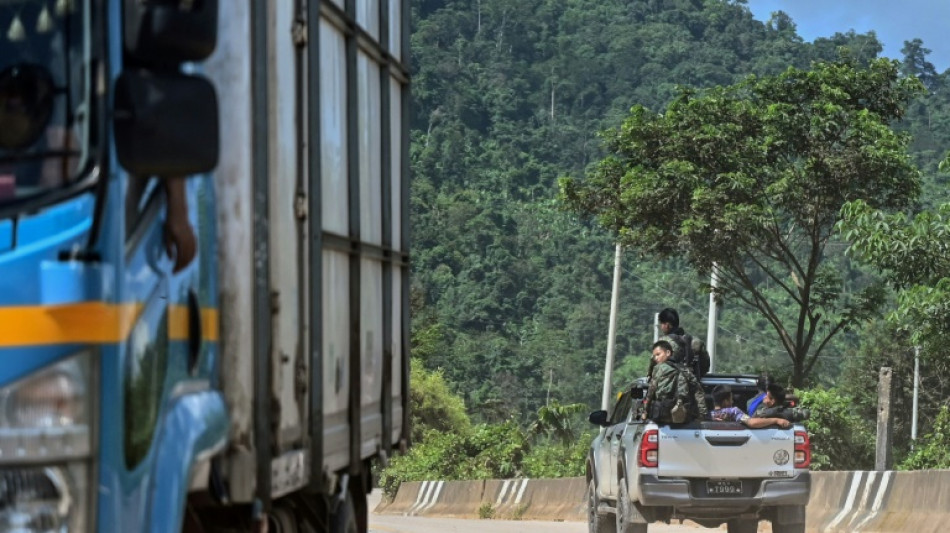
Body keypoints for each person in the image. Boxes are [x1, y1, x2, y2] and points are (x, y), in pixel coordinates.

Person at [644, 340, 707, 423]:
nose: (656, 358)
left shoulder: (659, 368)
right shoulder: (685, 370)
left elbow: (651, 391)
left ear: (668, 353)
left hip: (662, 417)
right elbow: (698, 391)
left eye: (658, 354)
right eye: (655, 356)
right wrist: (702, 415)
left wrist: (644, 411)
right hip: (685, 419)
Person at [656, 307, 711, 378]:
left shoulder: (662, 344)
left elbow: (654, 366)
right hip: (692, 386)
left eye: (661, 324)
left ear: (667, 325)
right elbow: (705, 367)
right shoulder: (696, 342)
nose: (661, 327)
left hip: (668, 386)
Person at [710, 385, 791, 429]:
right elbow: (752, 422)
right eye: (731, 399)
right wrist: (776, 420)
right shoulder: (734, 412)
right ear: (725, 401)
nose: (732, 401)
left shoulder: (709, 415)